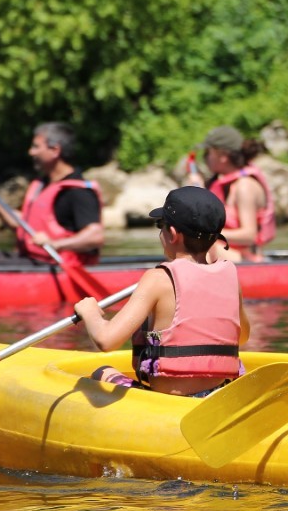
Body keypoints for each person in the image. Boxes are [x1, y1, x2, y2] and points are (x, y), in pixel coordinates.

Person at [74, 186, 251, 397]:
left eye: (161, 225)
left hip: (168, 401)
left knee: (102, 372)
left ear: (173, 234)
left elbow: (107, 340)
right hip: (216, 394)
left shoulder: (158, 279)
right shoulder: (229, 276)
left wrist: (90, 312)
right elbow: (242, 337)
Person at [0, 122, 104, 266]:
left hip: (56, 264)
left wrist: (55, 244)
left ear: (55, 150)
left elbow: (95, 236)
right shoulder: (42, 184)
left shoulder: (77, 191)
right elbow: (21, 224)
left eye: (36, 147)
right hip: (32, 259)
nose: (31, 152)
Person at [185, 125, 276, 262]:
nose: (205, 158)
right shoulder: (225, 184)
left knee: (193, 243)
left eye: (208, 153)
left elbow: (249, 235)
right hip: (228, 254)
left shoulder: (245, 186)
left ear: (222, 156)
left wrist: (203, 235)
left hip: (246, 260)